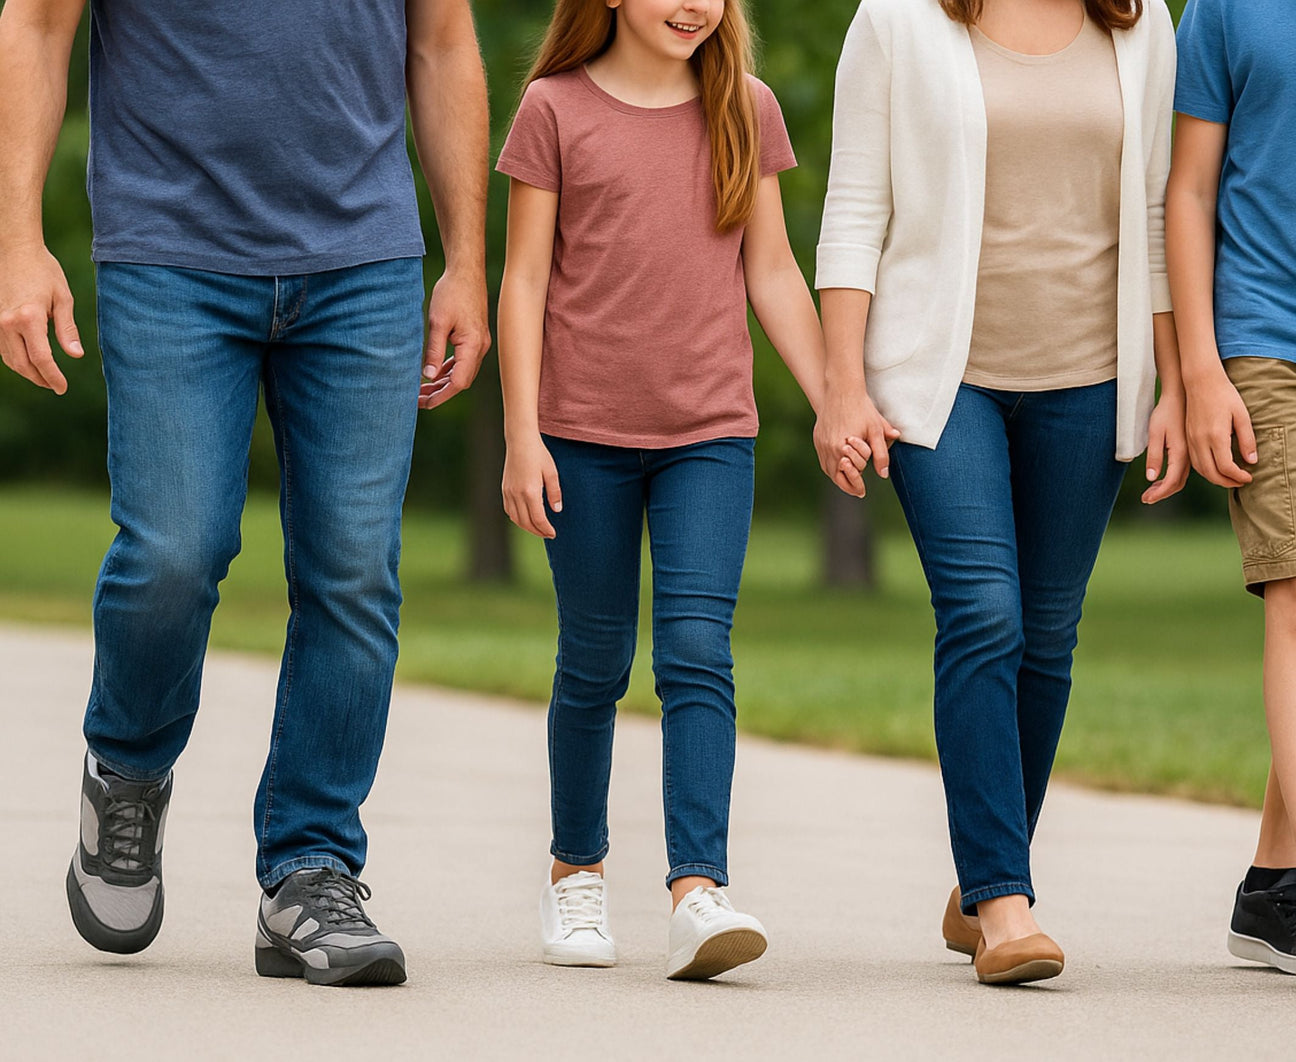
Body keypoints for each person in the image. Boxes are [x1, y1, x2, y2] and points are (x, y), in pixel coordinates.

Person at [0, 0, 489, 986]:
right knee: (173, 551)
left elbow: (442, 43)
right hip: (170, 253)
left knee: (353, 571)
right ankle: (128, 768)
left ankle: (309, 869)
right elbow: (37, 25)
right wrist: (17, 239)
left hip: (364, 260)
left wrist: (468, 263)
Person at [814, 0, 1186, 985]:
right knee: (984, 615)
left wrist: (1176, 385)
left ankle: (985, 873)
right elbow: (855, 205)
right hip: (943, 381)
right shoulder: (896, 20)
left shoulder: (1141, 24)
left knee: (1049, 632)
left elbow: (1155, 213)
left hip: (1095, 379)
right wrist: (840, 385)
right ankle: (1008, 905)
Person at [495, 0, 826, 980]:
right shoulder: (551, 111)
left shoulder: (745, 108)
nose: (695, 4)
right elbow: (523, 282)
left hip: (709, 436)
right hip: (579, 435)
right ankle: (576, 875)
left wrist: (831, 399)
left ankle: (697, 891)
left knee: (694, 649)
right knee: (593, 663)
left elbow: (771, 271)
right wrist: (521, 434)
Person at [1167, 0, 1296, 976]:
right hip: (1267, 340)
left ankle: (1273, 889)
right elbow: (1191, 188)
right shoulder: (1226, 7)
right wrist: (1201, 369)